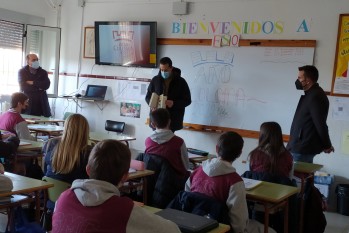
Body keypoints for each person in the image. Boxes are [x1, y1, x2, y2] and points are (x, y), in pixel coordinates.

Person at [52, 139, 181, 233]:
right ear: (125, 176)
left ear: (88, 170)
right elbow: (173, 230)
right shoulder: (125, 211)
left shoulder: (63, 198)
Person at [185, 131, 274, 233]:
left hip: (193, 224)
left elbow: (186, 198)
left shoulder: (196, 172)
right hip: (220, 227)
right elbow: (239, 225)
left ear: (217, 148)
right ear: (239, 154)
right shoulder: (234, 181)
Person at [286, 65, 334, 163]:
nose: (297, 80)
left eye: (300, 78)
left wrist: (327, 145)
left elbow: (320, 124)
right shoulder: (311, 94)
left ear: (308, 80)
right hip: (298, 146)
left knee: (297, 178)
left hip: (303, 148)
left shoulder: (316, 96)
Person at [43, 113, 92, 184]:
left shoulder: (50, 144)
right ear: (86, 131)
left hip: (48, 192)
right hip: (74, 194)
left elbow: (45, 170)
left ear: (65, 128)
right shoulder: (88, 154)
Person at [145, 57, 191, 132]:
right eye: (161, 70)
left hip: (172, 119)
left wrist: (174, 103)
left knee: (169, 142)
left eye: (165, 70)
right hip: (157, 118)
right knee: (156, 141)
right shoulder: (155, 80)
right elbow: (147, 97)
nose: (163, 72)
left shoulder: (181, 82)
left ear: (171, 68)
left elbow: (187, 100)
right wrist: (152, 105)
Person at [145, 108, 189, 178]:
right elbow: (186, 166)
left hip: (150, 181)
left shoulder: (148, 141)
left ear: (153, 125)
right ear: (169, 122)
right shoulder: (179, 142)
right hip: (172, 183)